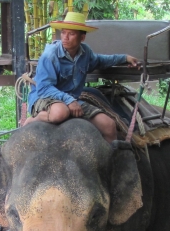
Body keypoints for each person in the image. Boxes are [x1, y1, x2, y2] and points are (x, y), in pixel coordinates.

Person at [24, 12, 139, 143]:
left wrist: (124, 58)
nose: (65, 37)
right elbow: (44, 88)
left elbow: (101, 60)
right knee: (60, 113)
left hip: (71, 100)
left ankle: (112, 160)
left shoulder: (85, 52)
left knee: (109, 126)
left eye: (71, 34)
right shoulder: (50, 56)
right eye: (63, 32)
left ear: (82, 37)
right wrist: (69, 101)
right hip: (44, 97)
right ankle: (34, 120)